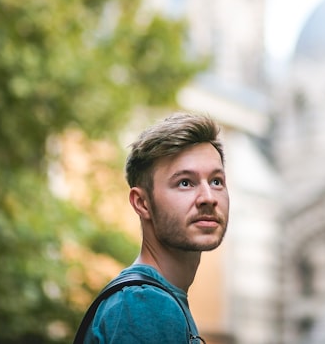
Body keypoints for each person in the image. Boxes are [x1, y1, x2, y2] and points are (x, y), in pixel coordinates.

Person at [85, 111, 229, 343]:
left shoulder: (156, 300)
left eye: (216, 181)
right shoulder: (145, 305)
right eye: (185, 183)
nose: (209, 197)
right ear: (142, 203)